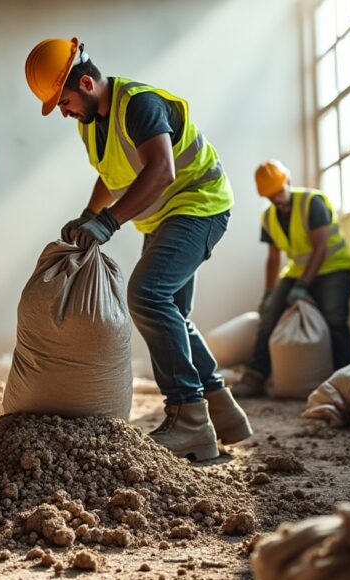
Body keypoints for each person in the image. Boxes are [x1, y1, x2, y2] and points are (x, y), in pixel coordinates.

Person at [24, 37, 252, 461]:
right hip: (164, 217)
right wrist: (88, 213)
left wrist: (108, 221)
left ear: (87, 84)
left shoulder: (139, 105)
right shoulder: (90, 124)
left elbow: (162, 170)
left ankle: (189, 417)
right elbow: (112, 176)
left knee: (147, 295)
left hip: (199, 205)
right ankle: (221, 410)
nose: (64, 110)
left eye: (64, 100)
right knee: (173, 313)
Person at [233, 160, 350, 397]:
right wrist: (269, 293)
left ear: (287, 181)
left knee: (335, 320)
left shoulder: (312, 202)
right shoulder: (268, 217)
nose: (276, 199)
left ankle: (348, 378)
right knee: (268, 317)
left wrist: (303, 285)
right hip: (296, 272)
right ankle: (255, 376)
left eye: (279, 192)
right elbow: (272, 258)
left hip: (333, 269)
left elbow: (320, 247)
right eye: (270, 196)